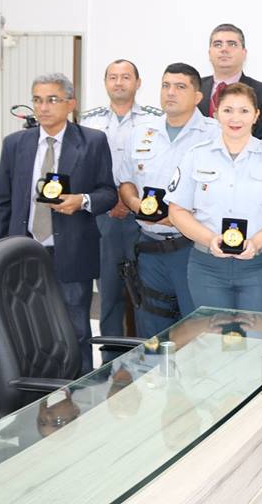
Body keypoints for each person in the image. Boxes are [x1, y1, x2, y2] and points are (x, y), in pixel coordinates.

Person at [0, 73, 117, 374]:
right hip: (23, 253)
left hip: (71, 253)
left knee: (76, 330)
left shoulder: (92, 142)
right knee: (26, 329)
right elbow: (1, 201)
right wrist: (3, 249)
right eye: (37, 100)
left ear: (70, 103)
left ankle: (81, 393)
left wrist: (82, 200)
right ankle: (34, 394)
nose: (43, 107)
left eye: (52, 100)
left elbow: (108, 193)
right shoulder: (15, 144)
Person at [168, 82, 262, 312]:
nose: (235, 118)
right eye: (228, 110)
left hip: (257, 266)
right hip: (207, 266)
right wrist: (209, 239)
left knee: (257, 343)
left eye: (244, 111)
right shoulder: (196, 155)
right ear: (216, 114)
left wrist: (256, 243)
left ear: (256, 115)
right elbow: (177, 211)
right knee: (213, 343)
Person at [117, 63, 218, 337]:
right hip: (149, 249)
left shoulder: (215, 135)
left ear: (198, 96)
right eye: (165, 85)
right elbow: (126, 181)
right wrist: (136, 204)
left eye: (180, 87)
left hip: (192, 250)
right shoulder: (140, 132)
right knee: (151, 334)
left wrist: (181, 217)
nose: (170, 92)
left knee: (196, 332)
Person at [81, 59, 162, 343]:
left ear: (138, 83)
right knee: (109, 293)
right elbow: (82, 168)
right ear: (105, 83)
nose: (119, 82)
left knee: (147, 292)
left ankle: (146, 357)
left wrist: (129, 200)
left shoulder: (156, 119)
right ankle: (111, 362)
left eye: (125, 77)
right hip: (103, 218)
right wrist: (111, 200)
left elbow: (159, 167)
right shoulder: (89, 120)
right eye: (113, 77)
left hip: (143, 216)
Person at [197, 23, 262, 141]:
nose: (224, 49)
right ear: (210, 53)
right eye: (218, 44)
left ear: (244, 53)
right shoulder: (194, 88)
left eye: (232, 44)